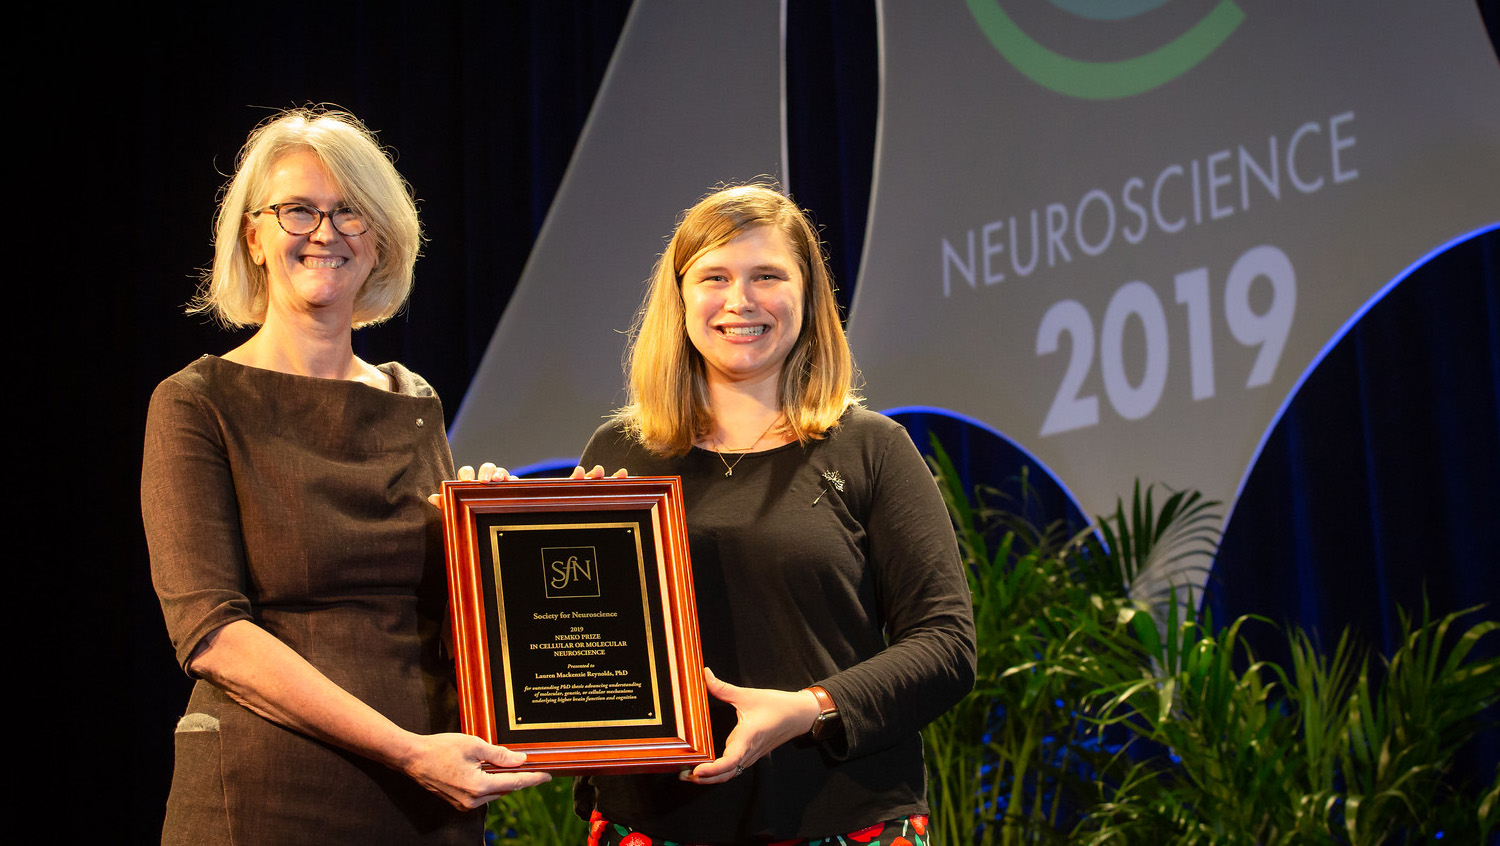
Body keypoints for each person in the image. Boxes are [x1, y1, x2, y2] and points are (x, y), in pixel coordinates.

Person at [141, 106, 547, 846]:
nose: (325, 232)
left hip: (432, 798)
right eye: (298, 209)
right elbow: (213, 636)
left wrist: (498, 534)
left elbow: (448, 612)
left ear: (381, 239)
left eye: (350, 211)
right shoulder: (196, 401)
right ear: (254, 236)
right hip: (269, 796)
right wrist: (406, 752)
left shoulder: (412, 399)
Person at [574, 184, 977, 845]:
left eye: (767, 275)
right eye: (715, 277)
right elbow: (581, 643)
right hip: (652, 822)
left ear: (807, 296)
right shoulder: (617, 454)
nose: (740, 300)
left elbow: (946, 647)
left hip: (844, 820)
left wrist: (807, 710)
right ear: (679, 299)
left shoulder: (871, 447)